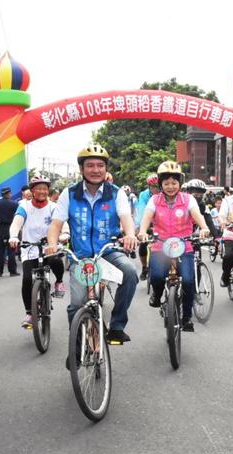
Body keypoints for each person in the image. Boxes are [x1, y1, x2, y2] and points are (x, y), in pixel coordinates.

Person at [46, 143, 139, 350]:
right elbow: (55, 225)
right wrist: (52, 244)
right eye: (90, 165)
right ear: (81, 169)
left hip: (108, 252)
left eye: (100, 165)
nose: (95, 170)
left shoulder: (116, 194)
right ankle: (77, 347)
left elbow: (126, 217)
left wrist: (130, 235)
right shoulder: (69, 194)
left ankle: (116, 325)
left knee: (130, 273)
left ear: (106, 169)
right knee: (77, 305)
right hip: (80, 258)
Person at [137, 161, 211, 333]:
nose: (170, 186)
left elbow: (197, 215)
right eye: (166, 183)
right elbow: (147, 217)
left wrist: (204, 228)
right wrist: (142, 232)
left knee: (188, 280)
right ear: (161, 184)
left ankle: (186, 318)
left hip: (184, 246)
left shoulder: (188, 199)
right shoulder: (154, 200)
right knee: (156, 276)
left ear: (180, 183)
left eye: (174, 182)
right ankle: (157, 294)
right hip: (160, 246)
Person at [8, 175, 67, 329]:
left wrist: (64, 235)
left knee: (55, 260)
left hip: (50, 246)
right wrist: (13, 236)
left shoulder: (54, 207)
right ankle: (29, 312)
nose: (42, 191)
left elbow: (63, 224)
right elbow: (16, 224)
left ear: (48, 190)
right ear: (32, 190)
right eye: (38, 188)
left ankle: (59, 282)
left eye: (45, 188)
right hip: (30, 248)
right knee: (27, 279)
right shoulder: (24, 206)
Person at [134, 173, 160, 280]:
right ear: (149, 186)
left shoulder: (164, 194)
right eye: (153, 187)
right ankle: (145, 267)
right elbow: (141, 211)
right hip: (147, 221)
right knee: (143, 244)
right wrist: (141, 229)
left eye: (157, 187)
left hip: (160, 222)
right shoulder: (144, 195)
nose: (156, 189)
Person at [0, 186, 20, 277]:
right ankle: (12, 271)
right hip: (11, 228)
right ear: (8, 194)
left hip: (0, 229)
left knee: (0, 251)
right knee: (11, 251)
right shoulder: (15, 204)